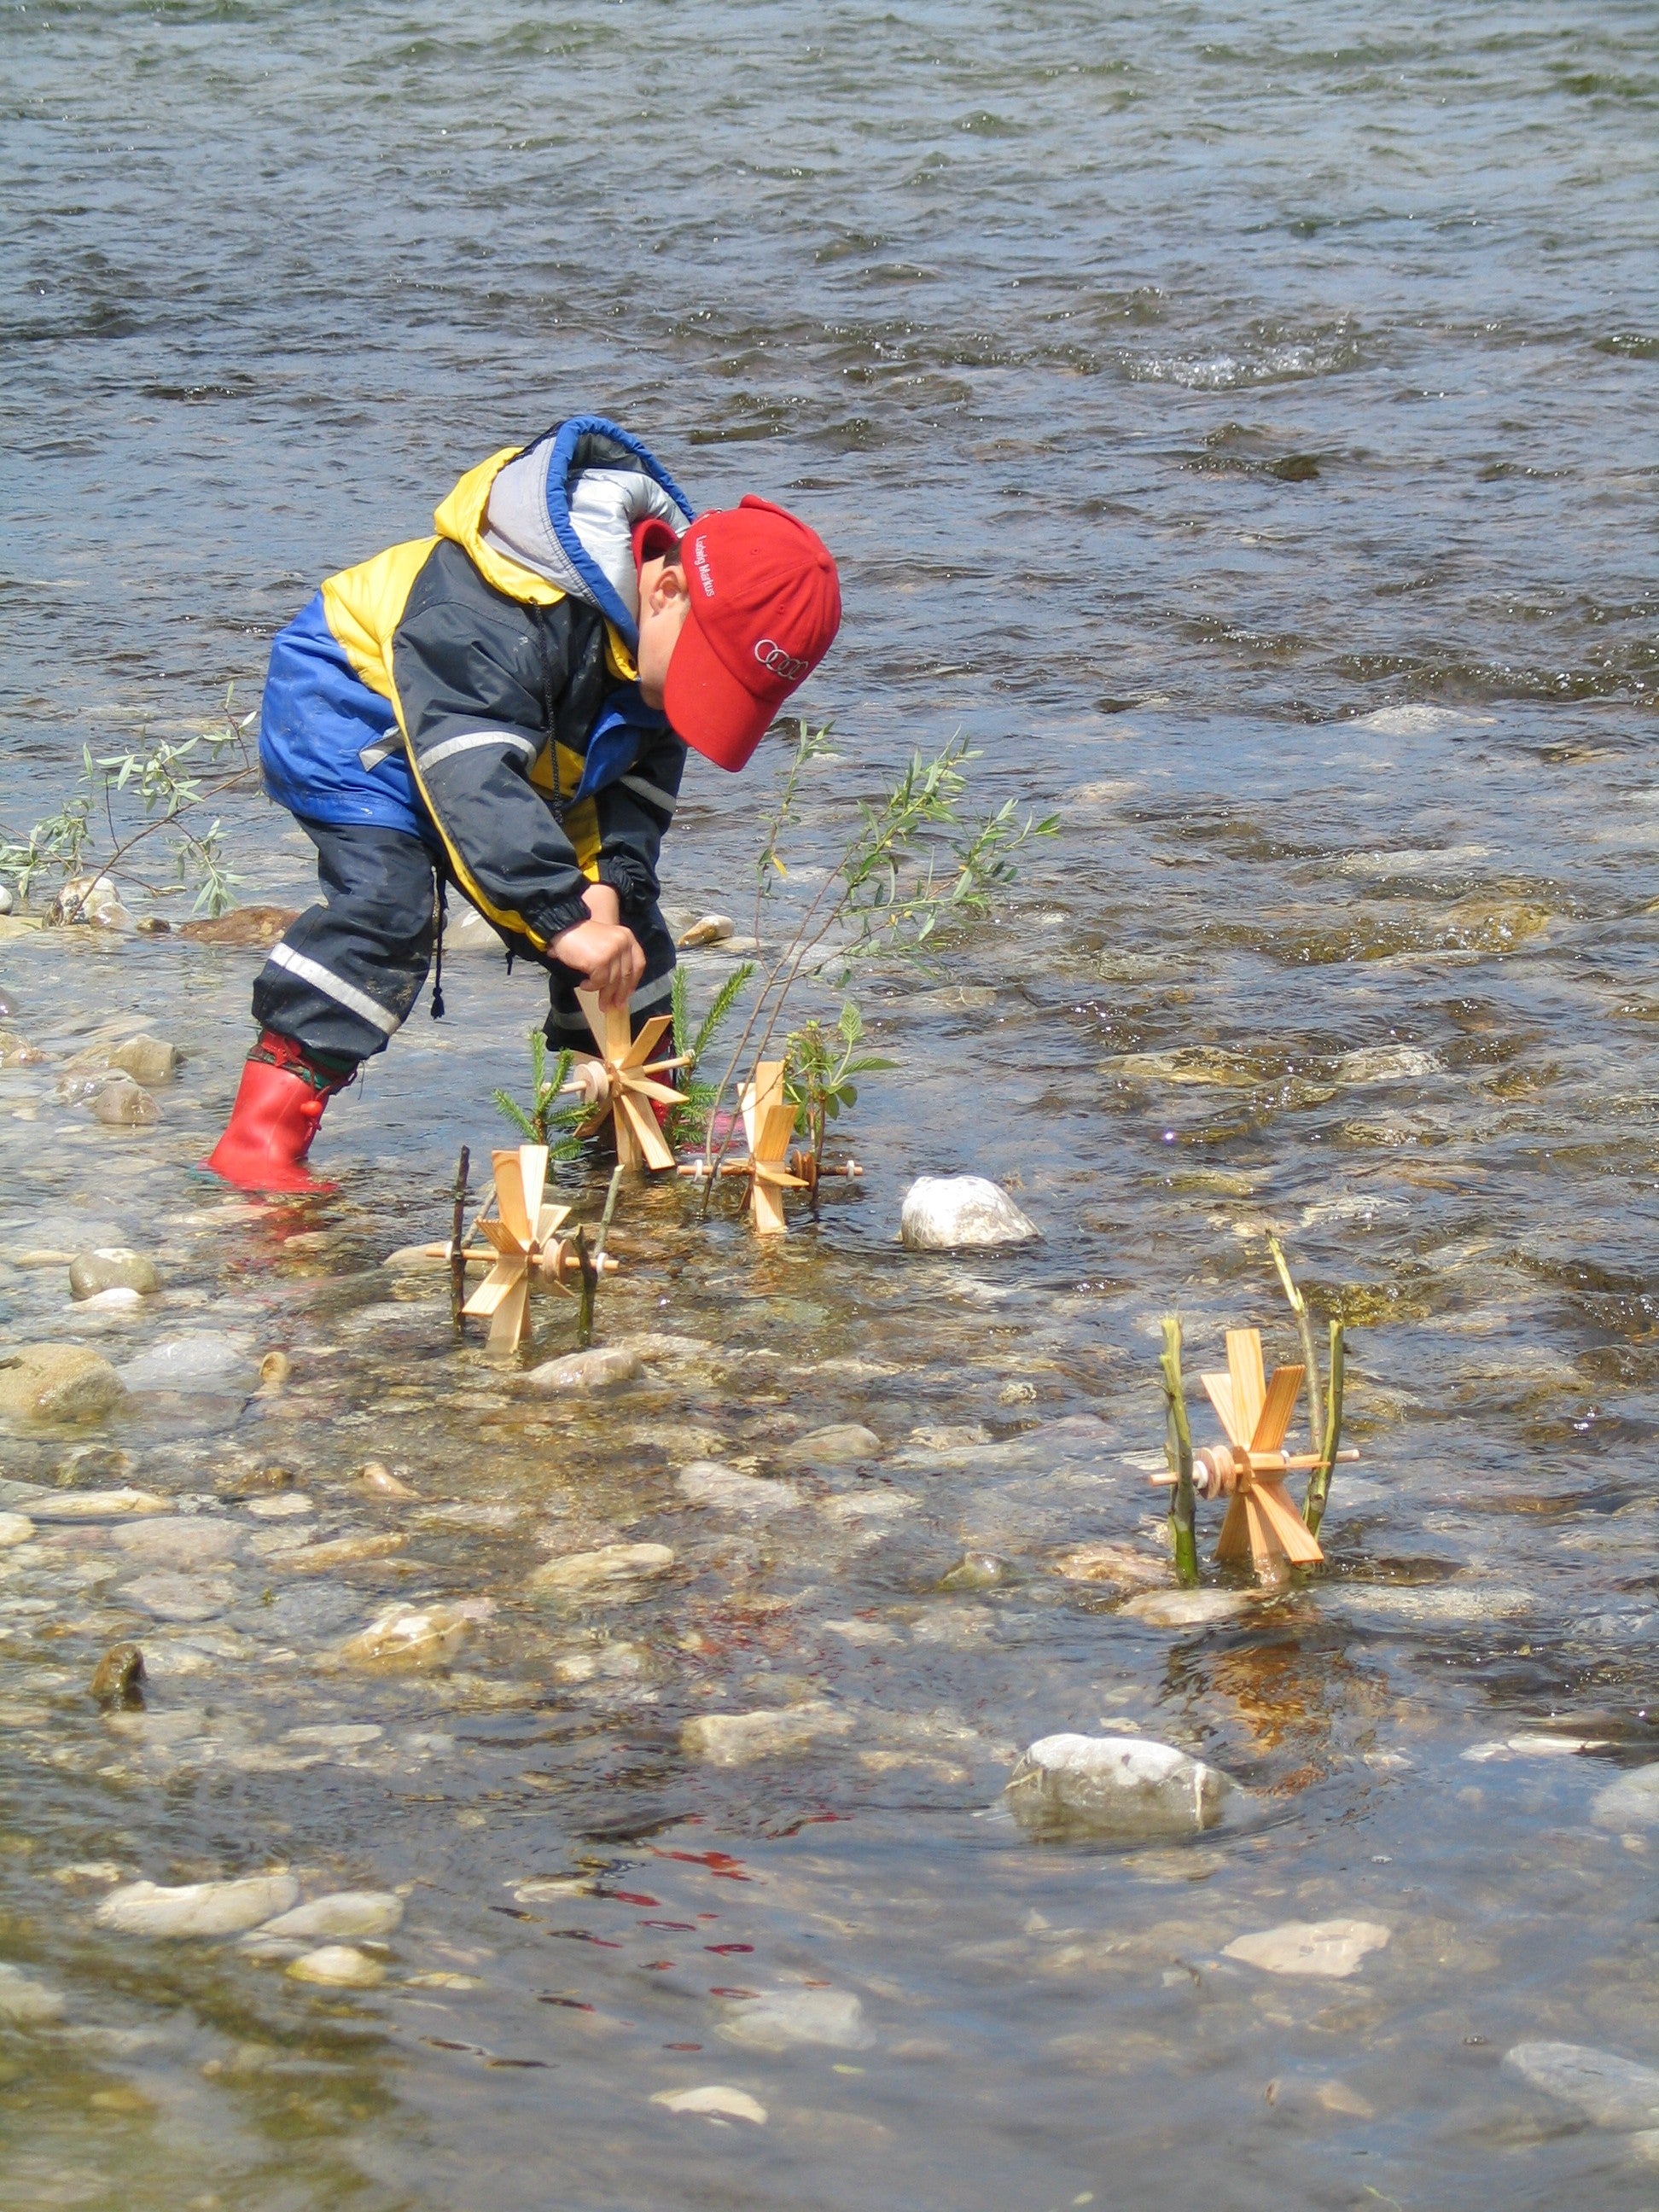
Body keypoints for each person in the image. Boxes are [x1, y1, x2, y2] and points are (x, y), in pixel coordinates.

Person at [204, 414, 841, 1190]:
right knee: (390, 906)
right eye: (704, 680)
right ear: (666, 588)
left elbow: (636, 783)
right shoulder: (494, 609)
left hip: (525, 738)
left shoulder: (651, 649)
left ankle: (630, 1112)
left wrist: (607, 882)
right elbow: (470, 774)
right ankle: (262, 1132)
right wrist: (557, 914)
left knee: (626, 930)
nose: (697, 704)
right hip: (354, 711)